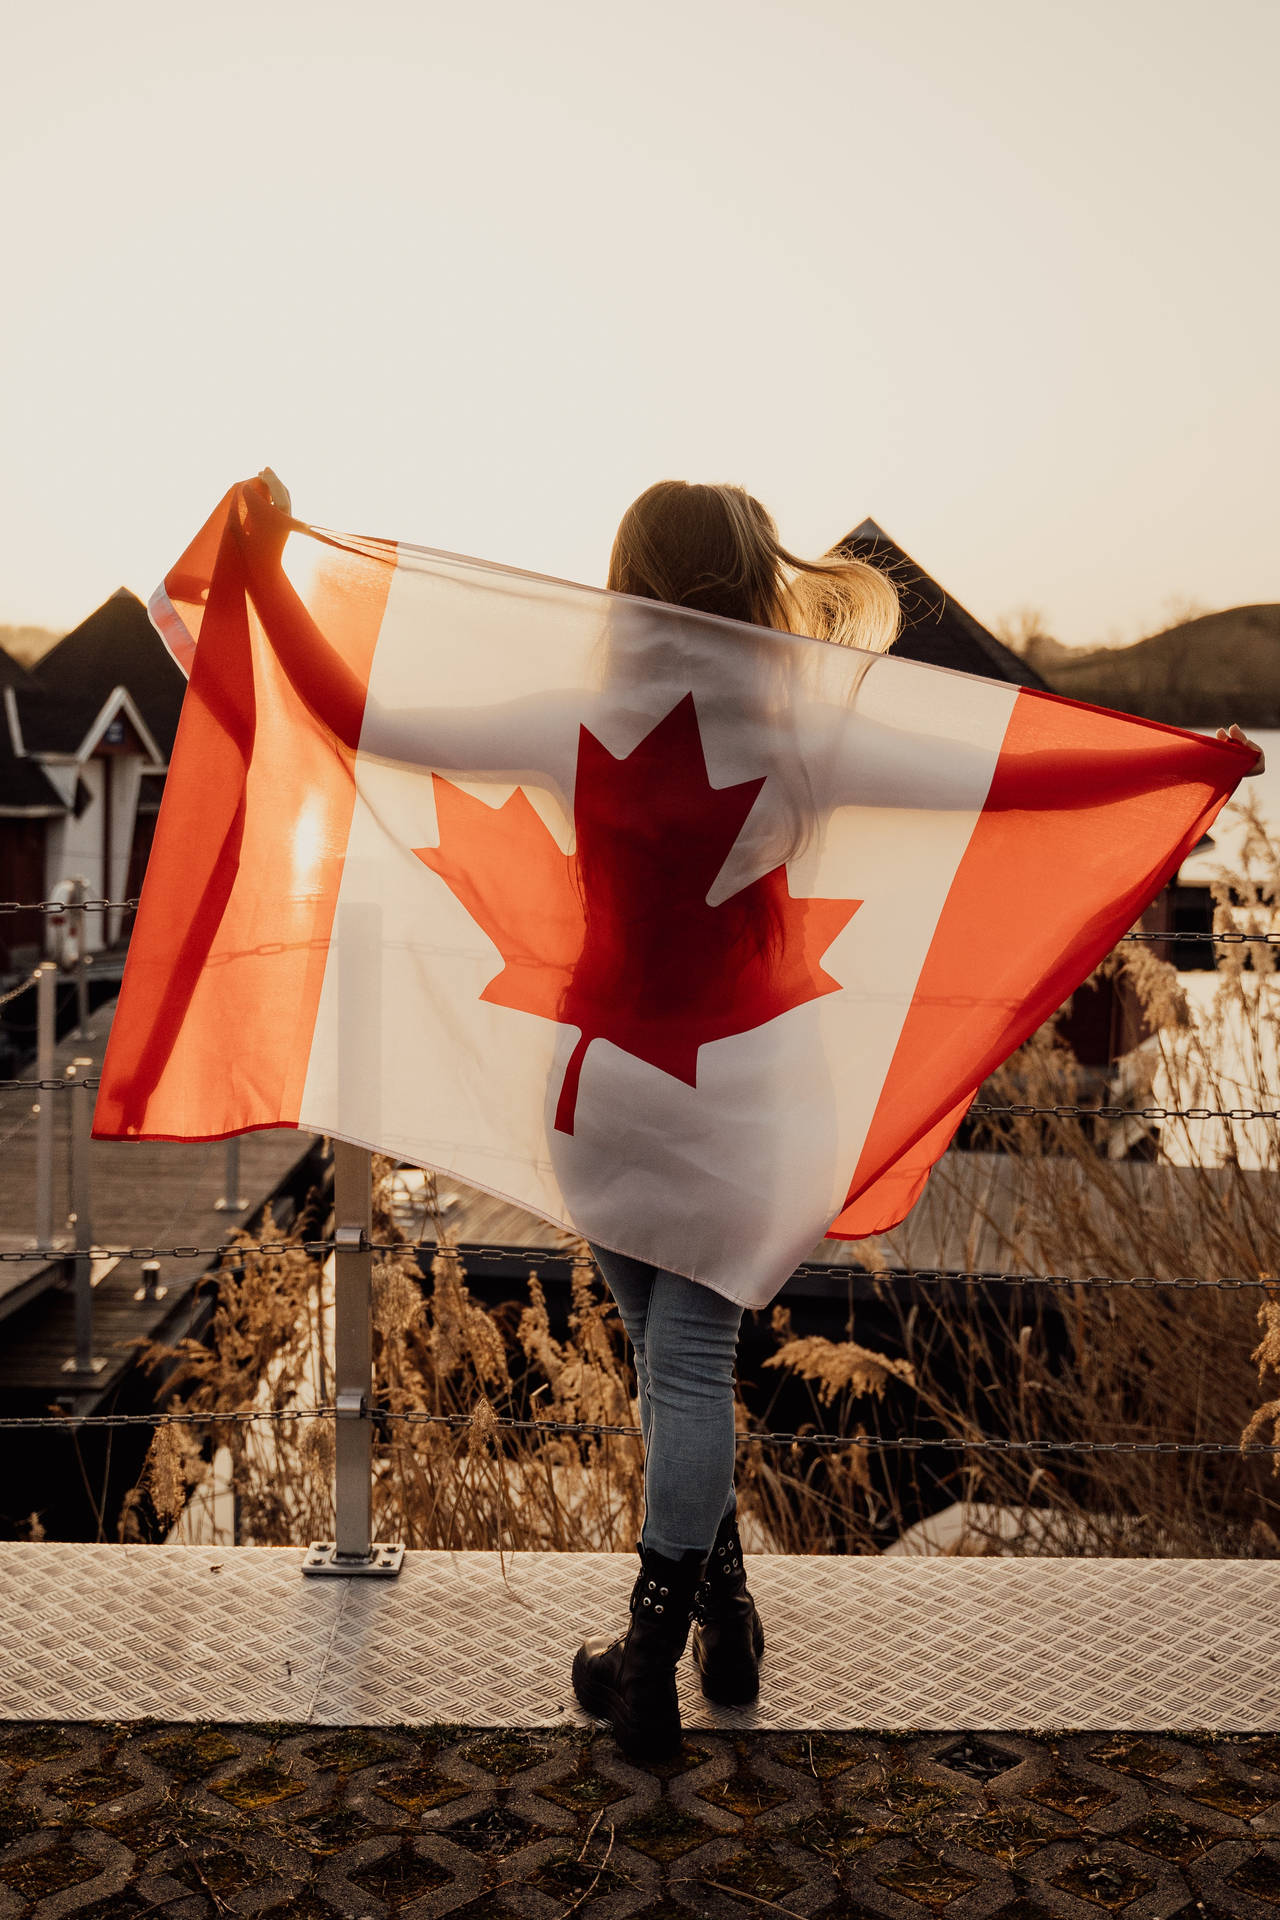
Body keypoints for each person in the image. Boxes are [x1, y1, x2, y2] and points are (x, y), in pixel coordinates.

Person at [566, 478, 1266, 1765]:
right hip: (743, 1099)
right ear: (747, 578)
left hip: (600, 1085)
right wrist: (1185, 766)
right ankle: (698, 1634)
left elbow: (373, 711)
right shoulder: (799, 734)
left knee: (665, 1373)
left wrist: (265, 581)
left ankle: (664, 1657)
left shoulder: (574, 713)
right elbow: (1001, 776)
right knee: (687, 1373)